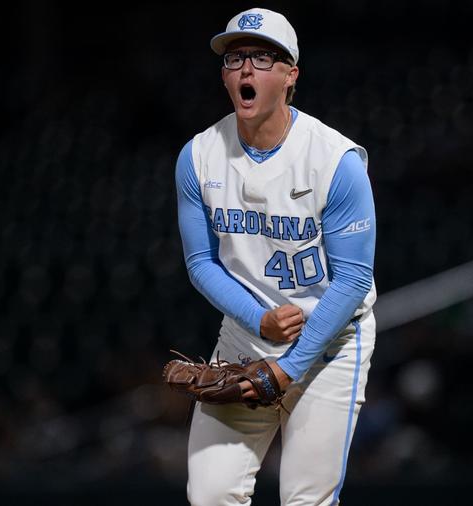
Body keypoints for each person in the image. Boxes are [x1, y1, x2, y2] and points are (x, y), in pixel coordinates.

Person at [175, 7, 377, 505]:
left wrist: (288, 369)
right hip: (247, 335)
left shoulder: (335, 160)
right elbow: (200, 262)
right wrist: (257, 318)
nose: (245, 68)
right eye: (235, 57)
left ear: (291, 76)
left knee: (305, 501)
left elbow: (353, 279)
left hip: (330, 343)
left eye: (263, 58)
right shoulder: (199, 155)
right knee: (210, 495)